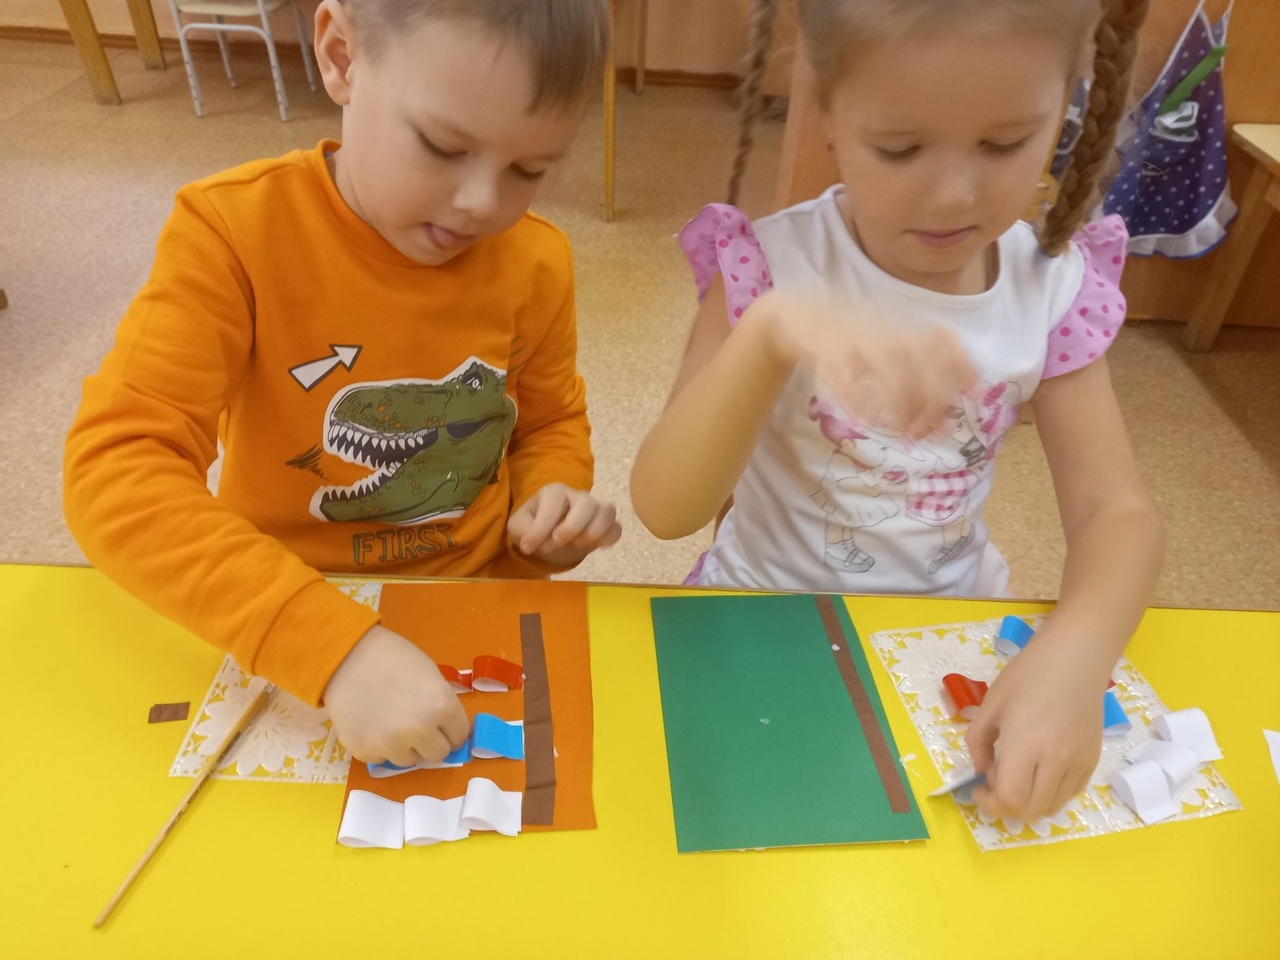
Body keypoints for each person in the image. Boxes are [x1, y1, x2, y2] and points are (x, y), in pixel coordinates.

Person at [631, 0, 1163, 823]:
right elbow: (665, 509)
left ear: (1066, 103)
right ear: (825, 108)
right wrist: (771, 333)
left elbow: (1116, 512)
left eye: (1005, 143)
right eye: (900, 148)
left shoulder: (1050, 284)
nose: (953, 194)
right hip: (762, 618)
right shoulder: (769, 267)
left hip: (942, 628)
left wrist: (1078, 655)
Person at [63, 0, 619, 770]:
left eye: (530, 170)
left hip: (471, 602)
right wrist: (331, 647)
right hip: (277, 615)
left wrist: (552, 494)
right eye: (442, 145)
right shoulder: (231, 232)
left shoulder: (538, 261)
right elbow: (115, 468)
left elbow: (548, 422)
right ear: (342, 56)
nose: (482, 204)